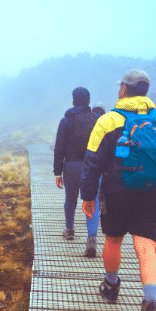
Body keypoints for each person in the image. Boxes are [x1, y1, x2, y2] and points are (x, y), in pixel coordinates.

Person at [79, 69, 156, 311]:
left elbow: (93, 161)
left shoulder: (108, 121)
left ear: (123, 89)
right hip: (152, 190)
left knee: (113, 239)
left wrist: (87, 196)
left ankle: (111, 285)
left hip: (117, 190)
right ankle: (151, 299)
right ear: (145, 91)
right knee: (146, 246)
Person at [53, 87, 101, 257]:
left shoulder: (66, 121)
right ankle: (92, 238)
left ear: (73, 102)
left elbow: (59, 148)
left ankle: (70, 229)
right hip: (92, 166)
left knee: (70, 198)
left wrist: (57, 172)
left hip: (71, 165)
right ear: (89, 102)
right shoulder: (97, 120)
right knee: (92, 200)